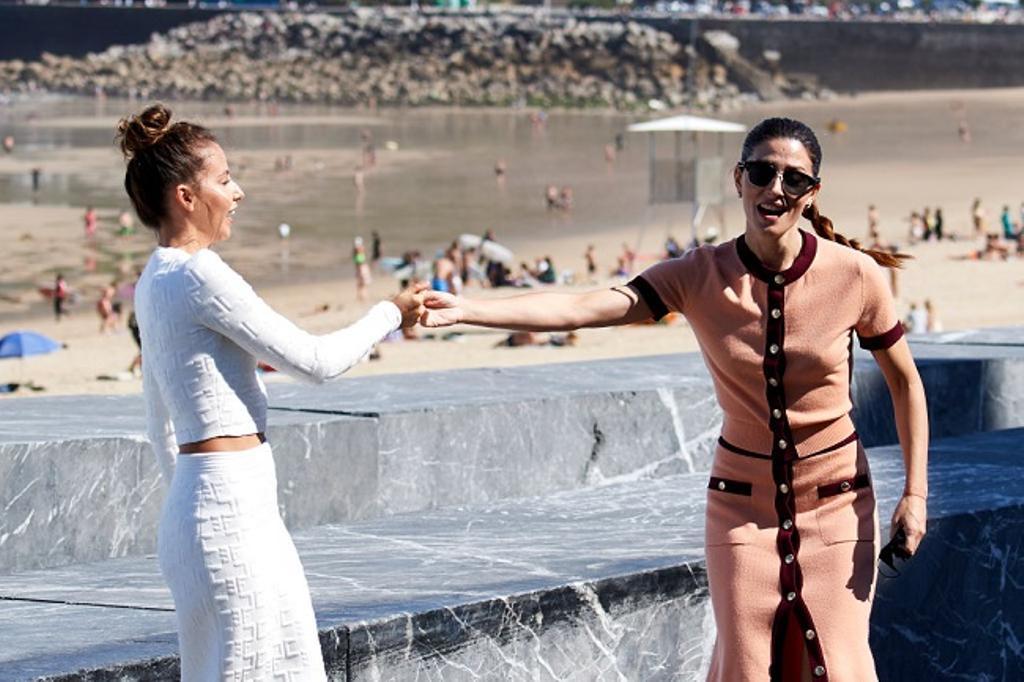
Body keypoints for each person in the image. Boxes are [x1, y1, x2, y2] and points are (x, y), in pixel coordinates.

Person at [421, 117, 929, 681]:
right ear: (738, 179)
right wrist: (466, 310)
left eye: (793, 179)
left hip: (838, 501)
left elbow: (906, 382)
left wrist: (916, 493)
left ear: (813, 193)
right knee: (744, 668)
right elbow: (584, 308)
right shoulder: (697, 274)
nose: (775, 189)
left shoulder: (855, 276)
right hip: (739, 507)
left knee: (839, 667)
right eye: (762, 172)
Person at [117, 104, 425, 681]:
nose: (238, 192)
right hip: (229, 512)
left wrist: (191, 498)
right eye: (225, 178)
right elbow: (315, 362)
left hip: (212, 510)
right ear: (186, 195)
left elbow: (158, 421)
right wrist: (391, 311)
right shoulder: (198, 274)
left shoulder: (152, 279)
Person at [353, 236, 371, 302]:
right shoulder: (359, 253)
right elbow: (360, 262)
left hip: (360, 268)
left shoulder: (357, 253)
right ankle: (362, 296)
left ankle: (360, 296)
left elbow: (357, 262)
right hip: (361, 268)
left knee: (360, 283)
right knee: (363, 283)